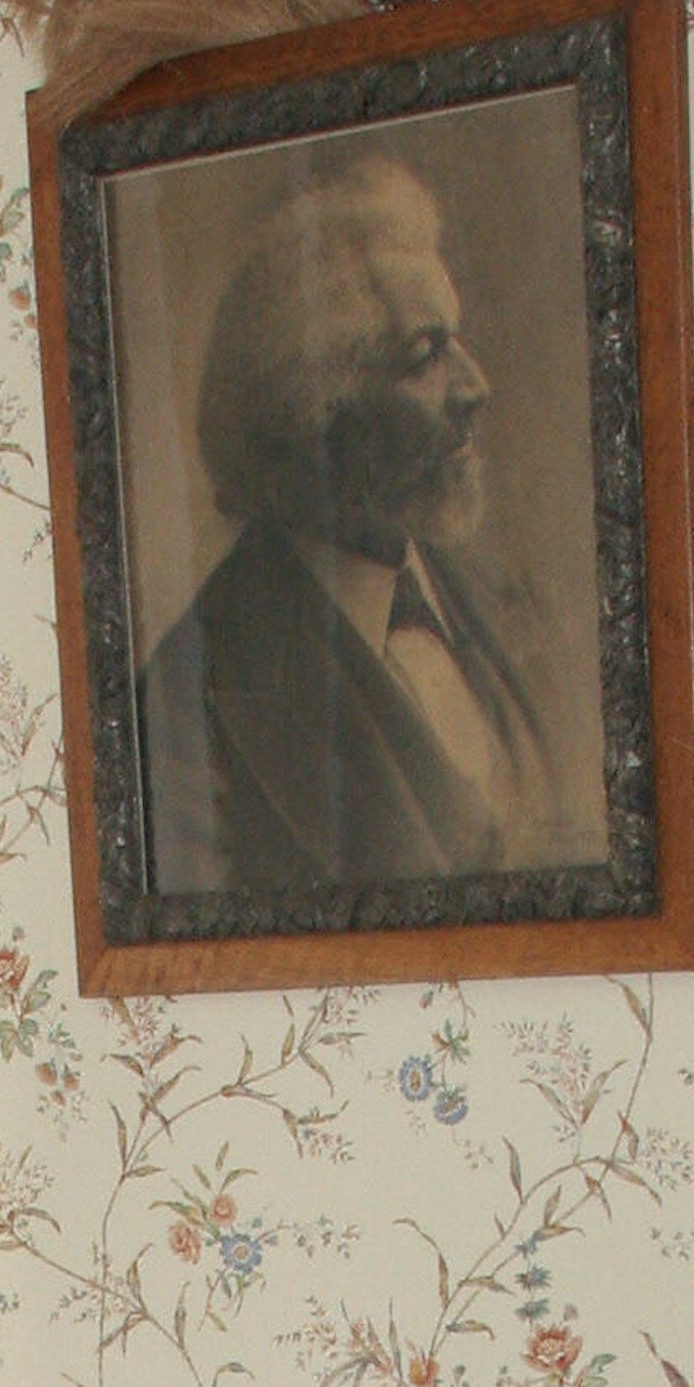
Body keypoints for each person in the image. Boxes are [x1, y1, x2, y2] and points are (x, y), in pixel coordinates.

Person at [134, 154, 598, 900]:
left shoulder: (509, 602)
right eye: (425, 357)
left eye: (457, 341)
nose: (478, 387)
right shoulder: (189, 705)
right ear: (315, 416)